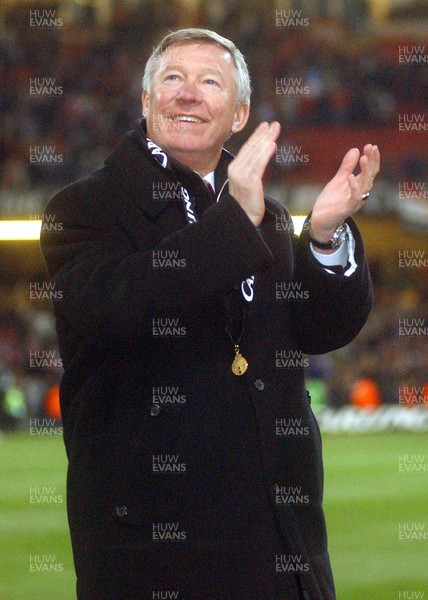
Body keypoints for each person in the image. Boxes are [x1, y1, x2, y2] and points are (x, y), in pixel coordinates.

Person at [41, 28, 380, 600]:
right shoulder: (82, 207)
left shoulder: (266, 215)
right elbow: (113, 310)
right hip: (156, 554)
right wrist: (232, 227)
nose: (187, 94)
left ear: (241, 113)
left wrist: (323, 236)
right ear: (146, 101)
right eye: (172, 79)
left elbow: (321, 331)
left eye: (209, 82)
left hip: (283, 545)